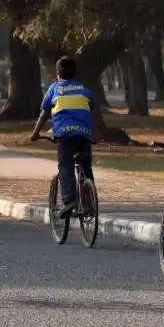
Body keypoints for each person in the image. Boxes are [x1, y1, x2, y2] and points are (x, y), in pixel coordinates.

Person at [29, 56, 95, 218]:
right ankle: (89, 201)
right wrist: (95, 135)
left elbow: (44, 113)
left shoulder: (54, 89)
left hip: (65, 135)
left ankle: (69, 200)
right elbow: (91, 112)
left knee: (65, 166)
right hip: (84, 134)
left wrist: (35, 133)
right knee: (86, 167)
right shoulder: (83, 89)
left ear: (58, 72)